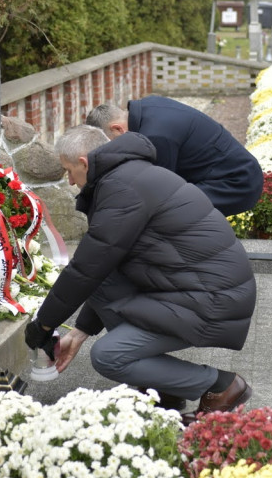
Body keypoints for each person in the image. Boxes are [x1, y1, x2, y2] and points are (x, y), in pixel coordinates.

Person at [24, 125, 256, 417]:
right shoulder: (128, 175)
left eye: (69, 171)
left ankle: (221, 385)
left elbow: (85, 269)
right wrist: (81, 331)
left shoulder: (121, 188)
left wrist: (43, 325)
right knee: (106, 288)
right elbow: (104, 271)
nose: (70, 182)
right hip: (200, 288)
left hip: (212, 299)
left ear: (84, 162)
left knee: (108, 356)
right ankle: (162, 388)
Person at [85, 96, 263, 216]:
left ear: (117, 128)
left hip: (236, 183)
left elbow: (158, 190)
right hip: (230, 172)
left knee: (164, 212)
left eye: (111, 143)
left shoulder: (157, 137)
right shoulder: (148, 106)